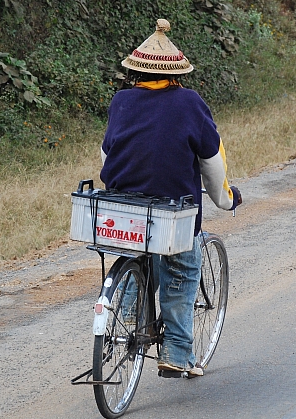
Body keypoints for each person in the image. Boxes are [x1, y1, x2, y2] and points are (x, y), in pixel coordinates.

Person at [100, 19, 242, 378]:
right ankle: (177, 354)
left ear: (136, 72)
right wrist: (226, 200)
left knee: (136, 251)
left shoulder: (122, 101)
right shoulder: (190, 103)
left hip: (123, 208)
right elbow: (212, 163)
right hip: (171, 212)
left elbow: (108, 155)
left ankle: (130, 315)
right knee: (181, 269)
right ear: (176, 75)